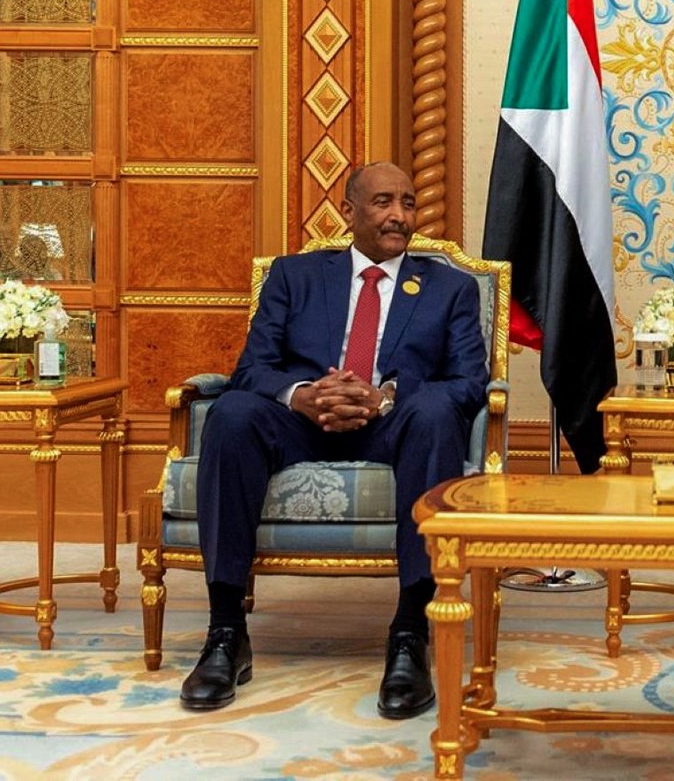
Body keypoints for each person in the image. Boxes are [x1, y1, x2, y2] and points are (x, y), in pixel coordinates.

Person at [180, 163, 488, 719]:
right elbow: (252, 369)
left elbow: (470, 381)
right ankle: (226, 632)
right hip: (303, 421)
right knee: (232, 414)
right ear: (349, 211)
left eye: (408, 203)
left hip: (392, 423)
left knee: (436, 412)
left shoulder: (450, 288)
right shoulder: (293, 276)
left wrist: (384, 396)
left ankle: (409, 635)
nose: (399, 215)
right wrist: (301, 395)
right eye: (384, 202)